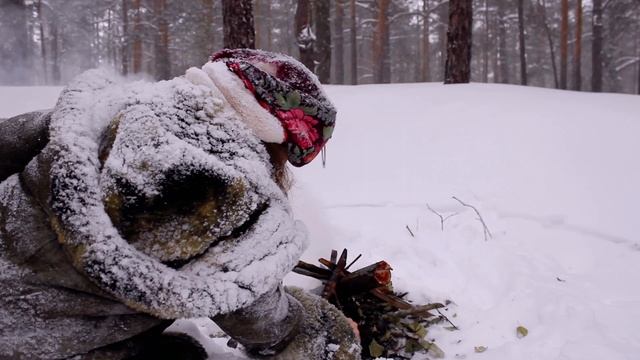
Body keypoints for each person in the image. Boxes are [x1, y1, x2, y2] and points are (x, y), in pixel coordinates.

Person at [0, 49, 360, 360]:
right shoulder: (231, 190)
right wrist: (329, 335)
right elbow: (259, 319)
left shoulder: (114, 107)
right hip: (29, 340)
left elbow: (7, 142)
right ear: (279, 137)